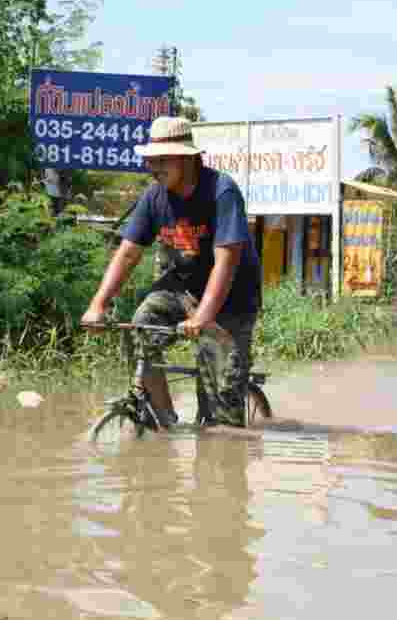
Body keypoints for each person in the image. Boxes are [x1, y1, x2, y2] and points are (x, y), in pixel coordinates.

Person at [80, 116, 262, 428]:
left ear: (188, 158)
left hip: (231, 300)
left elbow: (227, 260)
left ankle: (224, 438)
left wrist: (203, 317)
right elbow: (127, 253)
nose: (154, 167)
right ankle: (163, 417)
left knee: (219, 420)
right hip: (182, 287)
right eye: (151, 160)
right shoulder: (154, 196)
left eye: (162, 160)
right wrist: (98, 304)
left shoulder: (221, 191)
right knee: (143, 323)